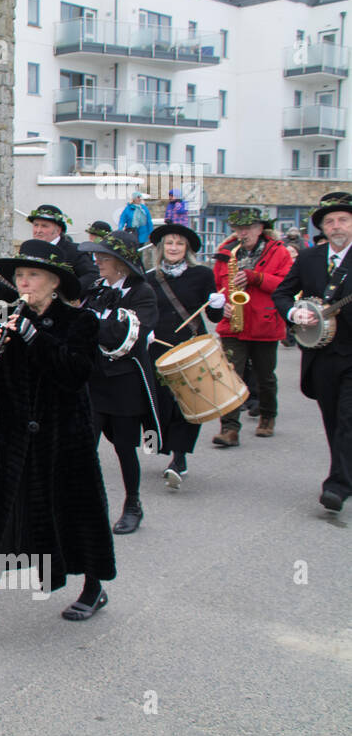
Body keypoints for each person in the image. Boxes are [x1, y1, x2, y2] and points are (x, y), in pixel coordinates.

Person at [0, 239, 115, 641]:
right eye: (19, 275)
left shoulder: (80, 323)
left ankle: (93, 587)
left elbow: (74, 374)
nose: (23, 282)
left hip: (63, 437)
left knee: (76, 514)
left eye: (32, 275)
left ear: (54, 282)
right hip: (12, 438)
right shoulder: (7, 316)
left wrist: (35, 337)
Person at [77, 230, 162, 534]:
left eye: (105, 257)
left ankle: (133, 504)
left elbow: (121, 335)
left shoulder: (143, 293)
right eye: (97, 255)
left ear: (122, 263)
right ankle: (84, 507)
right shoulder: (98, 288)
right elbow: (81, 324)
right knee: (85, 446)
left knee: (125, 448)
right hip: (94, 381)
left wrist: (92, 324)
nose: (97, 261)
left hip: (125, 384)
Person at [274, 193, 352, 513]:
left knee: (348, 419)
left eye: (343, 220)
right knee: (333, 420)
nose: (336, 226)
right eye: (330, 222)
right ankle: (344, 471)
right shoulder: (308, 258)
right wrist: (295, 314)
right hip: (320, 354)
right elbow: (282, 293)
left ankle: (337, 485)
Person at [146, 224, 224, 489]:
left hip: (191, 348)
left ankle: (179, 459)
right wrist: (144, 330)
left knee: (187, 404)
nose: (174, 248)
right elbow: (144, 311)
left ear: (187, 249)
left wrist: (218, 305)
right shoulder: (149, 278)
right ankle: (159, 445)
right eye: (169, 243)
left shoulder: (201, 275)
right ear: (161, 248)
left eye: (179, 244)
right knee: (160, 403)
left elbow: (213, 316)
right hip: (157, 348)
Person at [210, 206, 291, 446]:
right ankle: (229, 428)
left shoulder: (279, 252)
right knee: (230, 376)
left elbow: (287, 285)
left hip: (265, 322)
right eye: (239, 229)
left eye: (248, 228)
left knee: (265, 376)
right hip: (233, 324)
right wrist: (219, 303)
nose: (243, 233)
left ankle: (267, 417)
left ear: (260, 229)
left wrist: (257, 278)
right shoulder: (226, 253)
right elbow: (216, 287)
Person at [0, 204, 98, 301]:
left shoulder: (74, 250)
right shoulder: (28, 251)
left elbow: (92, 275)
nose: (38, 230)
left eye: (44, 226)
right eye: (36, 225)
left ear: (58, 230)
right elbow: (15, 291)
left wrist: (68, 293)